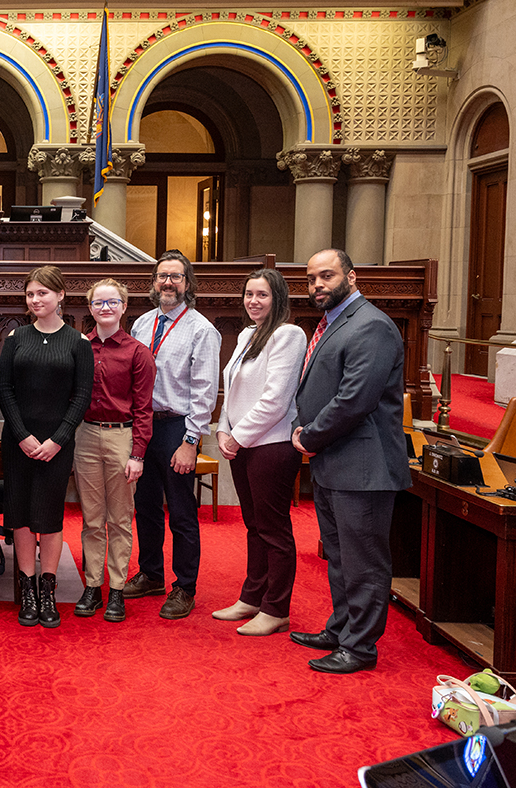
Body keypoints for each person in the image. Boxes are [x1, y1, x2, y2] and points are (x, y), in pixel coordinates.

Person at [291, 248, 410, 673]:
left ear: (352, 277)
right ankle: (341, 628)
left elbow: (354, 400)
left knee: (364, 562)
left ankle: (359, 648)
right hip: (335, 462)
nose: (317, 285)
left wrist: (308, 437)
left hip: (364, 465)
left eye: (326, 276)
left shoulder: (372, 326)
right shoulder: (333, 323)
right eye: (311, 279)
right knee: (340, 556)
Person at [0, 265, 93, 628]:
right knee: (20, 516)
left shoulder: (78, 342)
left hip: (58, 443)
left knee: (50, 517)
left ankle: (48, 589)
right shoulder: (17, 338)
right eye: (30, 294)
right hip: (18, 441)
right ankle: (28, 590)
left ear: (60, 296)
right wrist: (22, 436)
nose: (36, 299)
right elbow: (4, 390)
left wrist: (57, 440)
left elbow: (81, 396)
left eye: (43, 293)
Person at [128, 250, 220, 620]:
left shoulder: (202, 330)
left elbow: (204, 391)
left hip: (176, 428)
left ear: (188, 284)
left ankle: (185, 586)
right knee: (145, 506)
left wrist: (191, 441)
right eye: (162, 276)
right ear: (154, 282)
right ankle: (151, 574)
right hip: (144, 425)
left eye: (176, 277)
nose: (168, 282)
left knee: (181, 511)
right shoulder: (141, 324)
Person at [214, 268, 305, 637]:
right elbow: (232, 389)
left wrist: (238, 436)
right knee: (254, 527)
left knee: (274, 529)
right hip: (243, 444)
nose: (253, 301)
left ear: (277, 298)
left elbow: (277, 399)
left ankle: (277, 608)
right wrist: (222, 428)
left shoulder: (287, 334)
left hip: (272, 445)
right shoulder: (248, 334)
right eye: (249, 294)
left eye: (262, 295)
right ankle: (252, 597)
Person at [72, 279, 155, 624]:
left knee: (120, 519)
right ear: (90, 308)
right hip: (86, 436)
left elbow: (144, 408)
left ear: (123, 307)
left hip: (122, 438)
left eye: (112, 302)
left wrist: (137, 454)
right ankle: (93, 585)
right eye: (98, 303)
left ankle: (117, 589)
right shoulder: (79, 347)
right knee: (92, 519)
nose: (105, 308)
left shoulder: (137, 352)